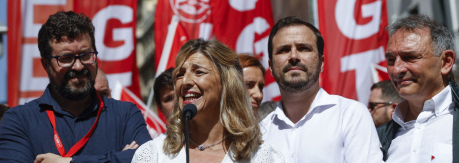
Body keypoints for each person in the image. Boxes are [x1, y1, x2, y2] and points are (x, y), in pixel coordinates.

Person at [0, 11, 152, 163]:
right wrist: (120, 158)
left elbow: (148, 159)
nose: (78, 66)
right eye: (66, 58)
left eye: (86, 55)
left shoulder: (126, 114)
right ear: (46, 64)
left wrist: (69, 162)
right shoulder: (19, 121)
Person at [132, 38, 284, 162]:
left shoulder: (262, 156)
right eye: (180, 74)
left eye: (199, 72)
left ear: (226, 83)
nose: (185, 81)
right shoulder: (153, 155)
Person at [260, 16, 383, 162]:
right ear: (271, 66)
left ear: (321, 63)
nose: (293, 56)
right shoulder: (261, 132)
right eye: (284, 50)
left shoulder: (350, 115)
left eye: (303, 48)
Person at [378, 14, 457, 161]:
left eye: (410, 57)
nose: (397, 69)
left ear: (446, 62)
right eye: (391, 60)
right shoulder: (379, 138)